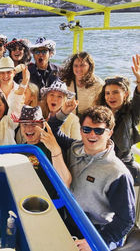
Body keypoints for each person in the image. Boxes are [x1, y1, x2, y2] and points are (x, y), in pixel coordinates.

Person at [48, 105, 135, 250]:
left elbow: (126, 220)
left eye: (99, 130)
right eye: (86, 129)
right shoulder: (74, 147)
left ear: (110, 133)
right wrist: (64, 112)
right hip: (70, 220)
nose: (91, 135)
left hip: (96, 230)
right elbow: (52, 129)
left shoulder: (117, 173)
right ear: (81, 130)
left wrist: (95, 242)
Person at [95, 55, 140, 185]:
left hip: (123, 163)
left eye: (115, 92)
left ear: (125, 94)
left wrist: (139, 81)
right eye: (107, 93)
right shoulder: (100, 112)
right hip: (102, 160)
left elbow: (138, 98)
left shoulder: (132, 111)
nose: (111, 97)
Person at [60, 51, 104, 116]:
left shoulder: (98, 84)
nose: (79, 69)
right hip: (68, 120)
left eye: (82, 65)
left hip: (88, 121)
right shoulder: (65, 82)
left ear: (90, 66)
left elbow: (100, 107)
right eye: (76, 66)